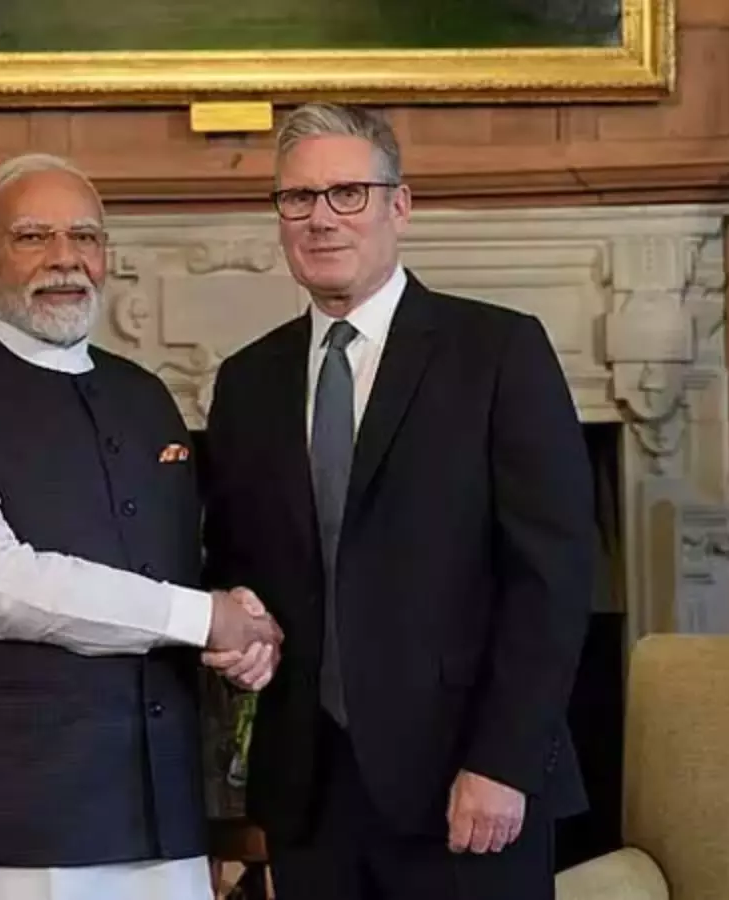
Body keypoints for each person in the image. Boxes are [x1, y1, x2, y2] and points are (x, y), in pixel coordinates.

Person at [201, 103, 596, 899]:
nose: (321, 218)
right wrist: (237, 619)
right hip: (310, 797)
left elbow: (552, 577)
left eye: (347, 193)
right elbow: (241, 562)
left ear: (400, 206)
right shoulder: (246, 381)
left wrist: (504, 761)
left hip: (467, 786)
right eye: (298, 198)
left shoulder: (497, 352)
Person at [0, 152, 281, 900]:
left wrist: (244, 629)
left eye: (84, 237)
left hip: (161, 812)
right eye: (33, 237)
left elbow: (183, 567)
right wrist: (204, 617)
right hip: (5, 825)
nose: (65, 258)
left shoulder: (146, 396)